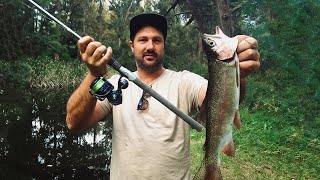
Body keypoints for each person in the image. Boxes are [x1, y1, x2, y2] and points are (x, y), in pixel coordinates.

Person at [66, 13, 260, 180]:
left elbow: (219, 101)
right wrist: (94, 74)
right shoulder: (115, 84)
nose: (150, 46)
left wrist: (238, 75)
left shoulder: (184, 81)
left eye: (156, 40)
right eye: (143, 40)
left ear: (164, 45)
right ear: (132, 45)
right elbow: (74, 123)